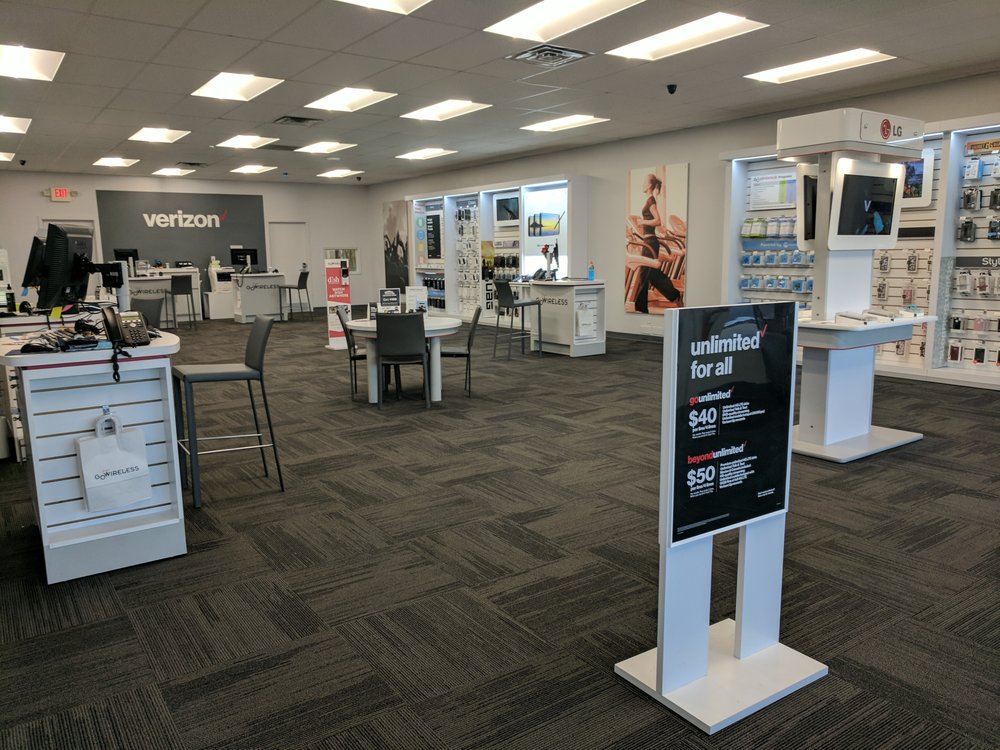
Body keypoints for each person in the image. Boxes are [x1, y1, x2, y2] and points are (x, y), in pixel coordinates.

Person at [626, 173, 686, 312]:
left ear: (649, 185)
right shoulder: (650, 200)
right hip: (649, 241)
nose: (642, 185)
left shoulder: (650, 201)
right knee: (652, 274)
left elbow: (658, 220)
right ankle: (674, 296)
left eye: (644, 182)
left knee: (644, 273)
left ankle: (641, 307)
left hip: (650, 242)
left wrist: (642, 222)